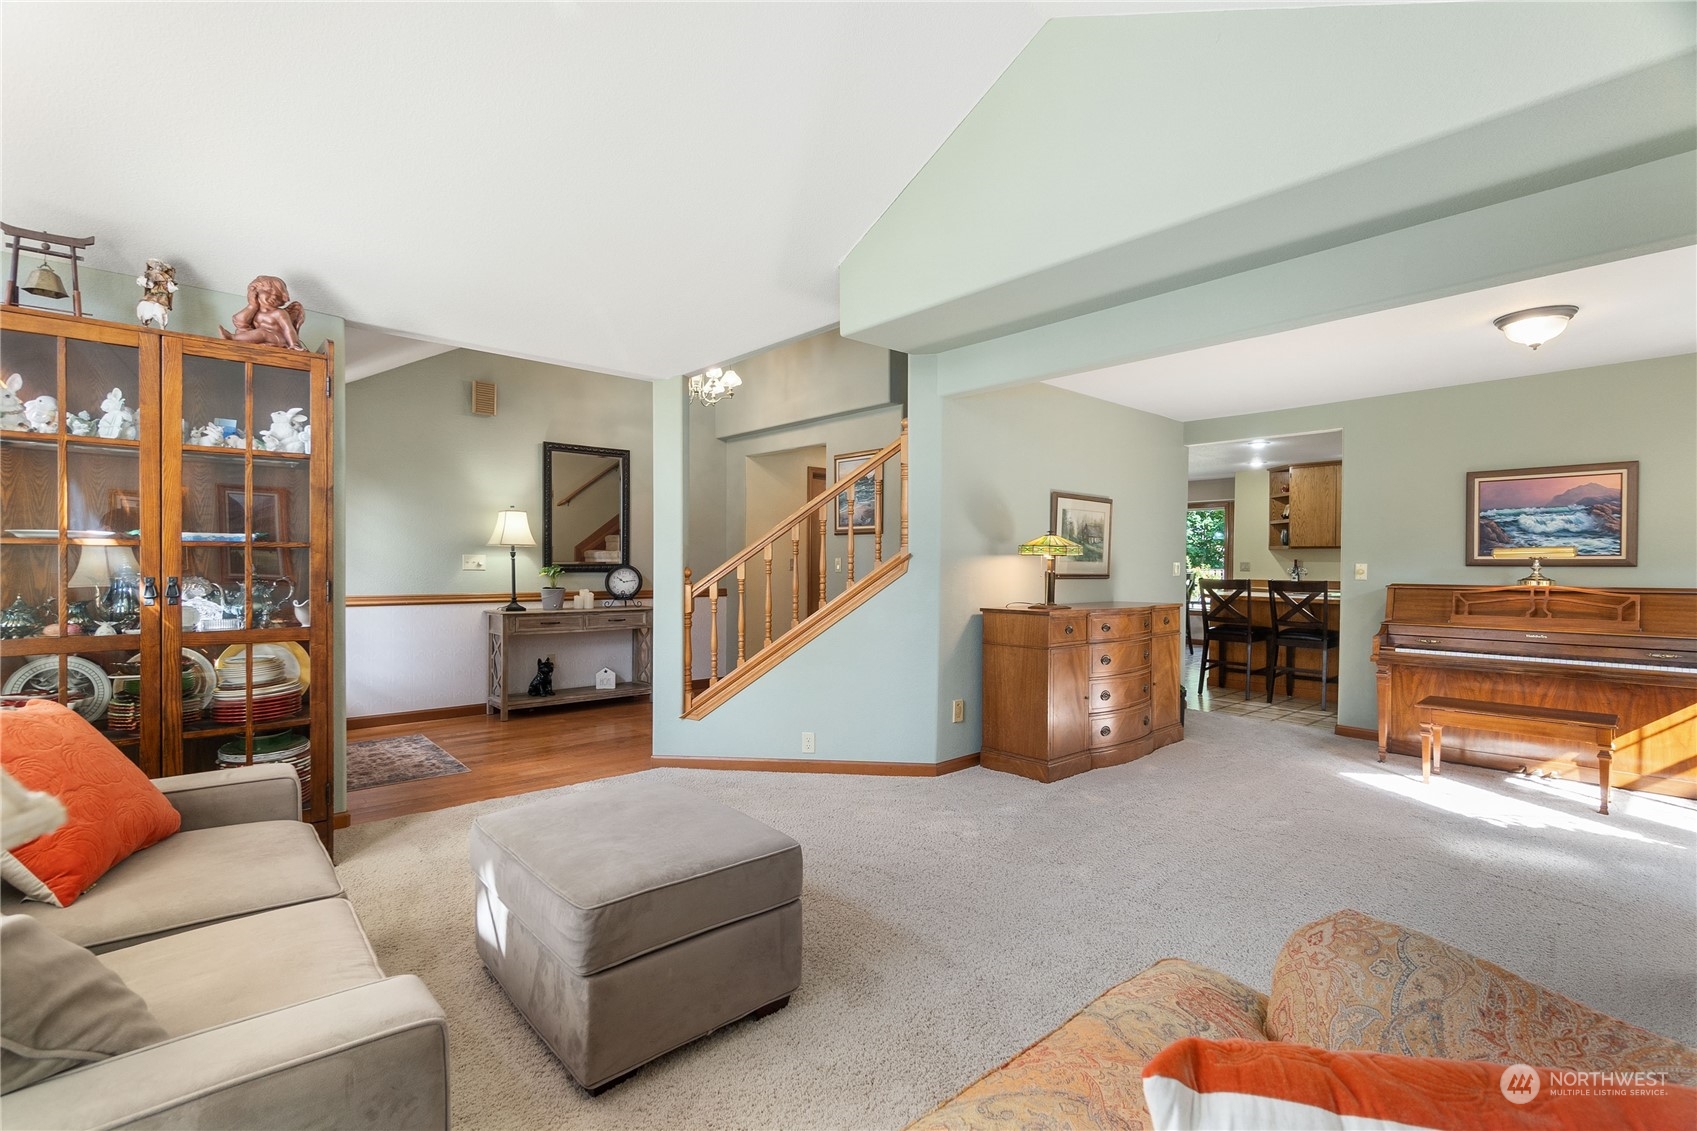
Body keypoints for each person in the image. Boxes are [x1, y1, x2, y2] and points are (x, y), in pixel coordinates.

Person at [220, 275, 307, 350]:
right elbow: (239, 321)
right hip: (262, 337)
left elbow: (288, 329)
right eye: (268, 291)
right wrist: (252, 306)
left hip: (278, 339)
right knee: (241, 331)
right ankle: (237, 338)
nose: (273, 297)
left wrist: (293, 344)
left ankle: (232, 338)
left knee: (263, 332)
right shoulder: (254, 313)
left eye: (278, 296)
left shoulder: (279, 313)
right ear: (255, 292)